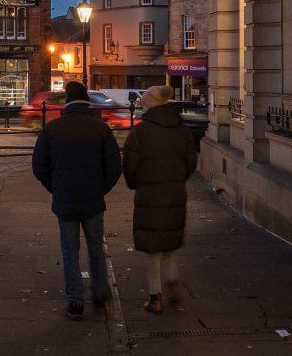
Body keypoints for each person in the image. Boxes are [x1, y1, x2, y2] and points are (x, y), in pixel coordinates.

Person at [32, 81, 122, 321]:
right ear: (87, 102)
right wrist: (100, 189)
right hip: (93, 200)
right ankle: (101, 293)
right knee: (96, 249)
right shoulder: (101, 129)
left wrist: (57, 188)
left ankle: (75, 302)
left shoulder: (52, 129)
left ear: (67, 102)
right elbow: (114, 167)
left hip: (65, 200)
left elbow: (39, 166)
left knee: (70, 252)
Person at [122, 84, 198, 314]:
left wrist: (136, 184)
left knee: (152, 249)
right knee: (170, 244)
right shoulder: (181, 129)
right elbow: (190, 162)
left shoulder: (140, 131)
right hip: (175, 193)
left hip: (149, 194)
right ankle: (172, 282)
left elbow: (130, 166)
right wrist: (177, 179)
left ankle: (155, 298)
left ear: (149, 105)